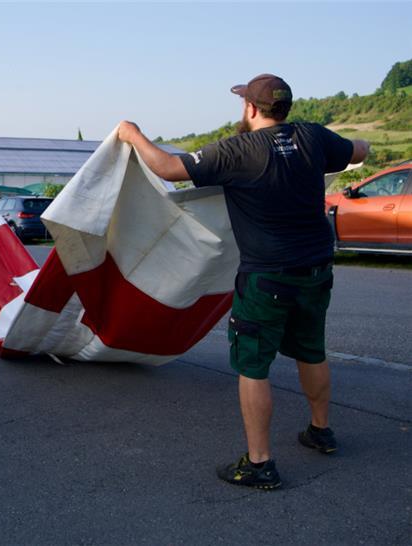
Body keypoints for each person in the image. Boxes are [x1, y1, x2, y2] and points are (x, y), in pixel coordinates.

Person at [117, 74, 369, 490]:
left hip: (267, 275)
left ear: (250, 108)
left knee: (253, 366)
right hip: (316, 269)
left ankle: (260, 463)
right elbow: (359, 150)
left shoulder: (237, 151)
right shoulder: (313, 138)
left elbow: (167, 168)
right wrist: (356, 147)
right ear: (285, 108)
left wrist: (133, 133)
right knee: (311, 350)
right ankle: (321, 431)